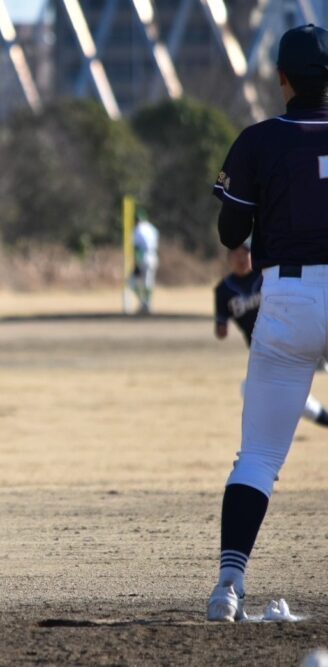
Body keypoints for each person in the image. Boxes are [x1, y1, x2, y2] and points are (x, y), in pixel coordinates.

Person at [206, 24, 328, 622]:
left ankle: (228, 587)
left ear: (281, 78)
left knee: (258, 456)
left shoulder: (261, 140)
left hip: (289, 297)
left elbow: (232, 234)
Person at [215, 242, 328, 428]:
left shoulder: (267, 276)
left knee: (256, 389)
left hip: (287, 340)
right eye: (236, 255)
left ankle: (316, 360)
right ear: (229, 259)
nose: (241, 259)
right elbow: (221, 327)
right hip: (264, 351)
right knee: (278, 393)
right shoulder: (224, 290)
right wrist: (222, 328)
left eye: (245, 254)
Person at [129, 209, 159, 314]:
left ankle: (143, 303)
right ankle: (147, 304)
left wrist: (137, 261)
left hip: (143, 257)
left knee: (132, 283)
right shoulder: (152, 228)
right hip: (153, 256)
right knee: (148, 282)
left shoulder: (138, 229)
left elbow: (137, 247)